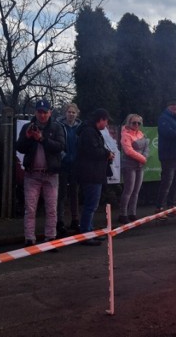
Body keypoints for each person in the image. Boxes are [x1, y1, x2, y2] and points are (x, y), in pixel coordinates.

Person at [16, 98, 65, 247]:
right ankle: (29, 238)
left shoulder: (56, 128)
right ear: (35, 112)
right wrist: (29, 138)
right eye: (39, 112)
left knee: (51, 208)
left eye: (45, 112)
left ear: (50, 112)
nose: (42, 115)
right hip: (32, 174)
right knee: (30, 208)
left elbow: (60, 147)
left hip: (50, 173)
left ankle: (50, 237)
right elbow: (19, 147)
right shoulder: (27, 127)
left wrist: (42, 139)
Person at [75, 108, 114, 245]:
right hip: (91, 174)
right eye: (106, 120)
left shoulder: (89, 131)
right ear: (101, 119)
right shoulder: (89, 132)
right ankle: (86, 234)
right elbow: (93, 151)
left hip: (92, 173)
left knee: (91, 205)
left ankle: (89, 231)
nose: (107, 123)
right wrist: (107, 154)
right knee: (90, 205)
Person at [56, 103, 82, 236]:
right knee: (61, 193)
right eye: (69, 112)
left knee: (74, 193)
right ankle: (59, 221)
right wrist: (63, 156)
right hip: (63, 164)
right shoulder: (59, 126)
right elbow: (57, 143)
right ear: (65, 113)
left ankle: (75, 219)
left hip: (75, 164)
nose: (71, 114)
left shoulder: (79, 127)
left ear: (77, 114)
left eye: (73, 112)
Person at [118, 114, 149, 224]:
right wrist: (143, 159)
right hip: (129, 165)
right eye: (134, 123)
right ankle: (123, 214)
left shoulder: (141, 134)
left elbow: (146, 148)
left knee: (136, 191)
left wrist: (143, 159)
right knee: (128, 190)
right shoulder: (125, 134)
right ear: (129, 123)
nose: (136, 125)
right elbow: (128, 151)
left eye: (138, 123)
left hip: (140, 166)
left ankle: (132, 213)